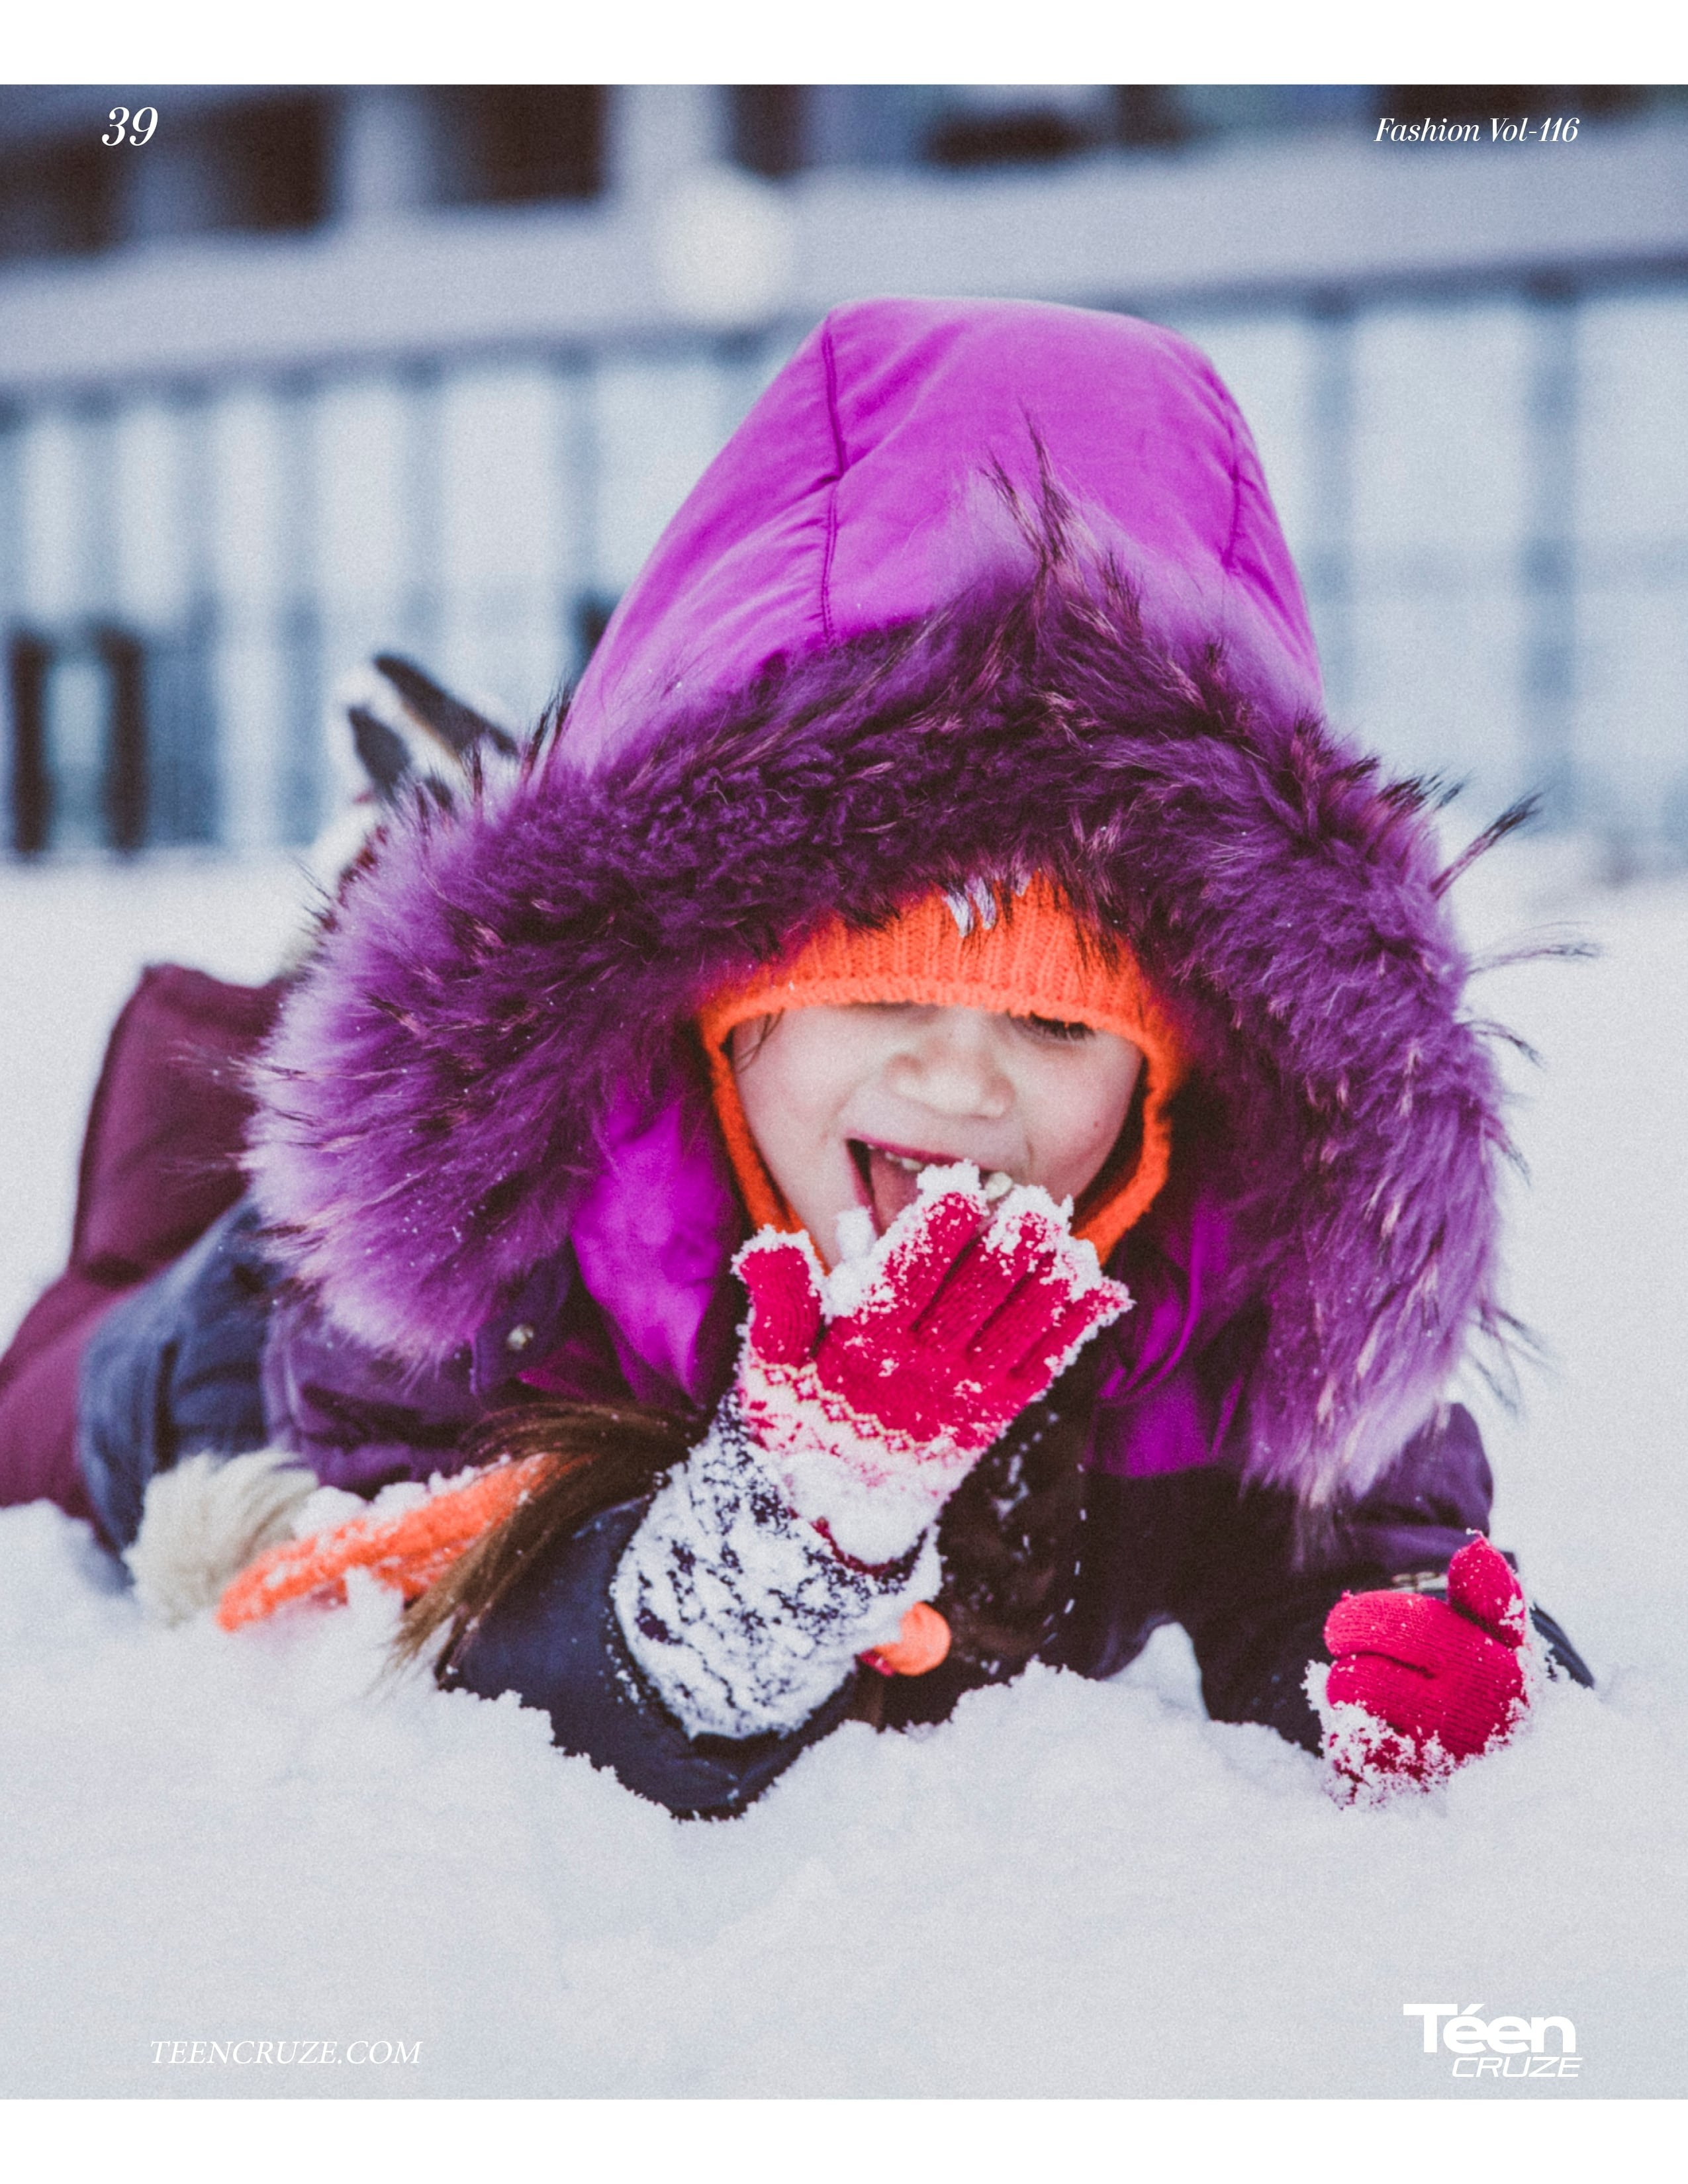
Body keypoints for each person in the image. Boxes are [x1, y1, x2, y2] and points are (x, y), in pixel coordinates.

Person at [0, 298, 1590, 1819]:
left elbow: (1368, 1534)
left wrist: (1397, 1657)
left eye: (1056, 1028)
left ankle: (448, 812)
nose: (968, 1090)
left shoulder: (1236, 1287)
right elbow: (438, 1622)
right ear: (729, 1010)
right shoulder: (508, 1226)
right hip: (240, 1343)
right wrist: (765, 1550)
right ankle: (383, 873)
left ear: (1179, 1076)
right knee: (72, 1381)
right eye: (885, 1001)